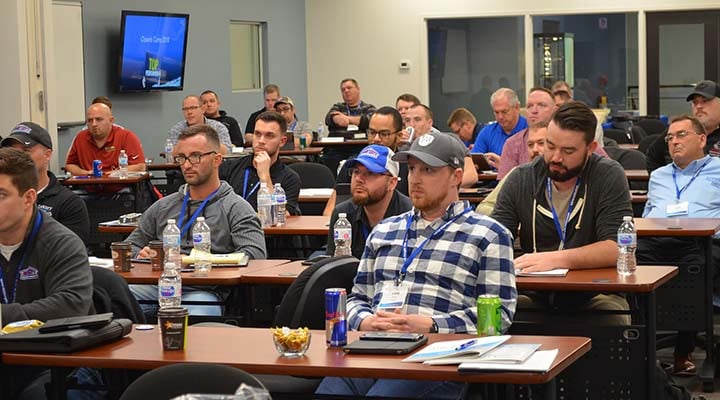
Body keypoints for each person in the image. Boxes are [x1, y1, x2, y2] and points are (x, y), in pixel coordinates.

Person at [316, 131, 516, 399]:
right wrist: (366, 321)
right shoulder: (385, 230)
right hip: (375, 348)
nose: (416, 179)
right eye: (412, 169)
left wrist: (431, 325)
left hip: (436, 358)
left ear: (456, 177)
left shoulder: (488, 235)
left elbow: (499, 315)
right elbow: (358, 297)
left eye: (428, 170)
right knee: (328, 394)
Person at [491, 101, 632, 325]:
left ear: (591, 148)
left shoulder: (607, 175)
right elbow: (493, 241)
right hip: (534, 292)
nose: (556, 157)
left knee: (612, 319)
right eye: (550, 146)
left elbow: (617, 248)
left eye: (568, 151)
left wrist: (556, 259)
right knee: (500, 312)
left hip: (594, 292)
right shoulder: (522, 178)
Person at [127, 124, 266, 315]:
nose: (186, 164)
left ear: (217, 159)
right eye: (182, 158)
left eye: (195, 156)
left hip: (204, 290)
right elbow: (129, 247)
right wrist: (143, 256)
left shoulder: (236, 207)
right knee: (116, 297)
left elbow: (255, 256)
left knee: (196, 312)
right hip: (159, 286)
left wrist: (195, 260)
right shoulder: (163, 206)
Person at [0, 148, 93, 398]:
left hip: (55, 359)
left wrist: (2, 315)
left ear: (29, 198)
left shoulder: (61, 242)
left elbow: (69, 305)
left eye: (1, 195)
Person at [638, 114, 720, 377]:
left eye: (681, 135)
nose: (674, 141)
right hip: (655, 241)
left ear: (702, 139)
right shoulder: (659, 175)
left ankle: (683, 351)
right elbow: (649, 211)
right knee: (628, 268)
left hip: (702, 242)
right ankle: (643, 352)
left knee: (695, 270)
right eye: (670, 137)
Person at [2, 122, 89, 243]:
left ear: (47, 155)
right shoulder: (4, 200)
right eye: (12, 151)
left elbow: (70, 252)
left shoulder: (69, 203)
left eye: (26, 151)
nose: (17, 158)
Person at [325, 145, 412, 258]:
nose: (358, 179)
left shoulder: (410, 215)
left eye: (370, 173)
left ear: (392, 183)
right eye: (356, 172)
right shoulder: (343, 215)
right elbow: (332, 265)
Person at [220, 111, 301, 216]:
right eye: (257, 134)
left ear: (282, 141)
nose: (261, 141)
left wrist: (265, 176)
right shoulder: (229, 167)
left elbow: (279, 215)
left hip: (266, 231)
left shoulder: (290, 178)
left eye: (269, 135)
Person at [646, 80, 720, 172]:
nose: (699, 106)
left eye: (705, 101)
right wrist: (664, 182)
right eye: (695, 102)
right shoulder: (677, 130)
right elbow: (653, 156)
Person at [476, 123, 547, 216]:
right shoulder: (518, 174)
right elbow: (483, 208)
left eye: (541, 143)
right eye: (530, 145)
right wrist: (513, 215)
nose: (535, 149)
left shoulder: (563, 176)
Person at [65, 103, 146, 175]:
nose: (94, 124)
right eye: (90, 120)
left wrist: (116, 174)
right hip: (88, 188)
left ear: (111, 120)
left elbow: (140, 166)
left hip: (121, 188)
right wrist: (86, 173)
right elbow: (70, 165)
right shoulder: (80, 138)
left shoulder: (126, 137)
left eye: (98, 119)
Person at [495, 88, 557, 180]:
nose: (534, 111)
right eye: (530, 106)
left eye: (541, 105)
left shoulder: (566, 140)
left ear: (555, 110)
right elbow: (504, 186)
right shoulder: (512, 143)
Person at [470, 88, 528, 169]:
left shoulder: (531, 130)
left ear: (517, 108)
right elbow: (473, 161)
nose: (500, 117)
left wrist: (504, 165)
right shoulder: (487, 132)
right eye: (496, 112)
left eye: (504, 112)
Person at [168, 95, 233, 154]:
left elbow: (228, 151)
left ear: (203, 109)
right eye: (185, 109)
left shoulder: (218, 127)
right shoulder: (177, 129)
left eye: (193, 108)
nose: (189, 112)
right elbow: (172, 153)